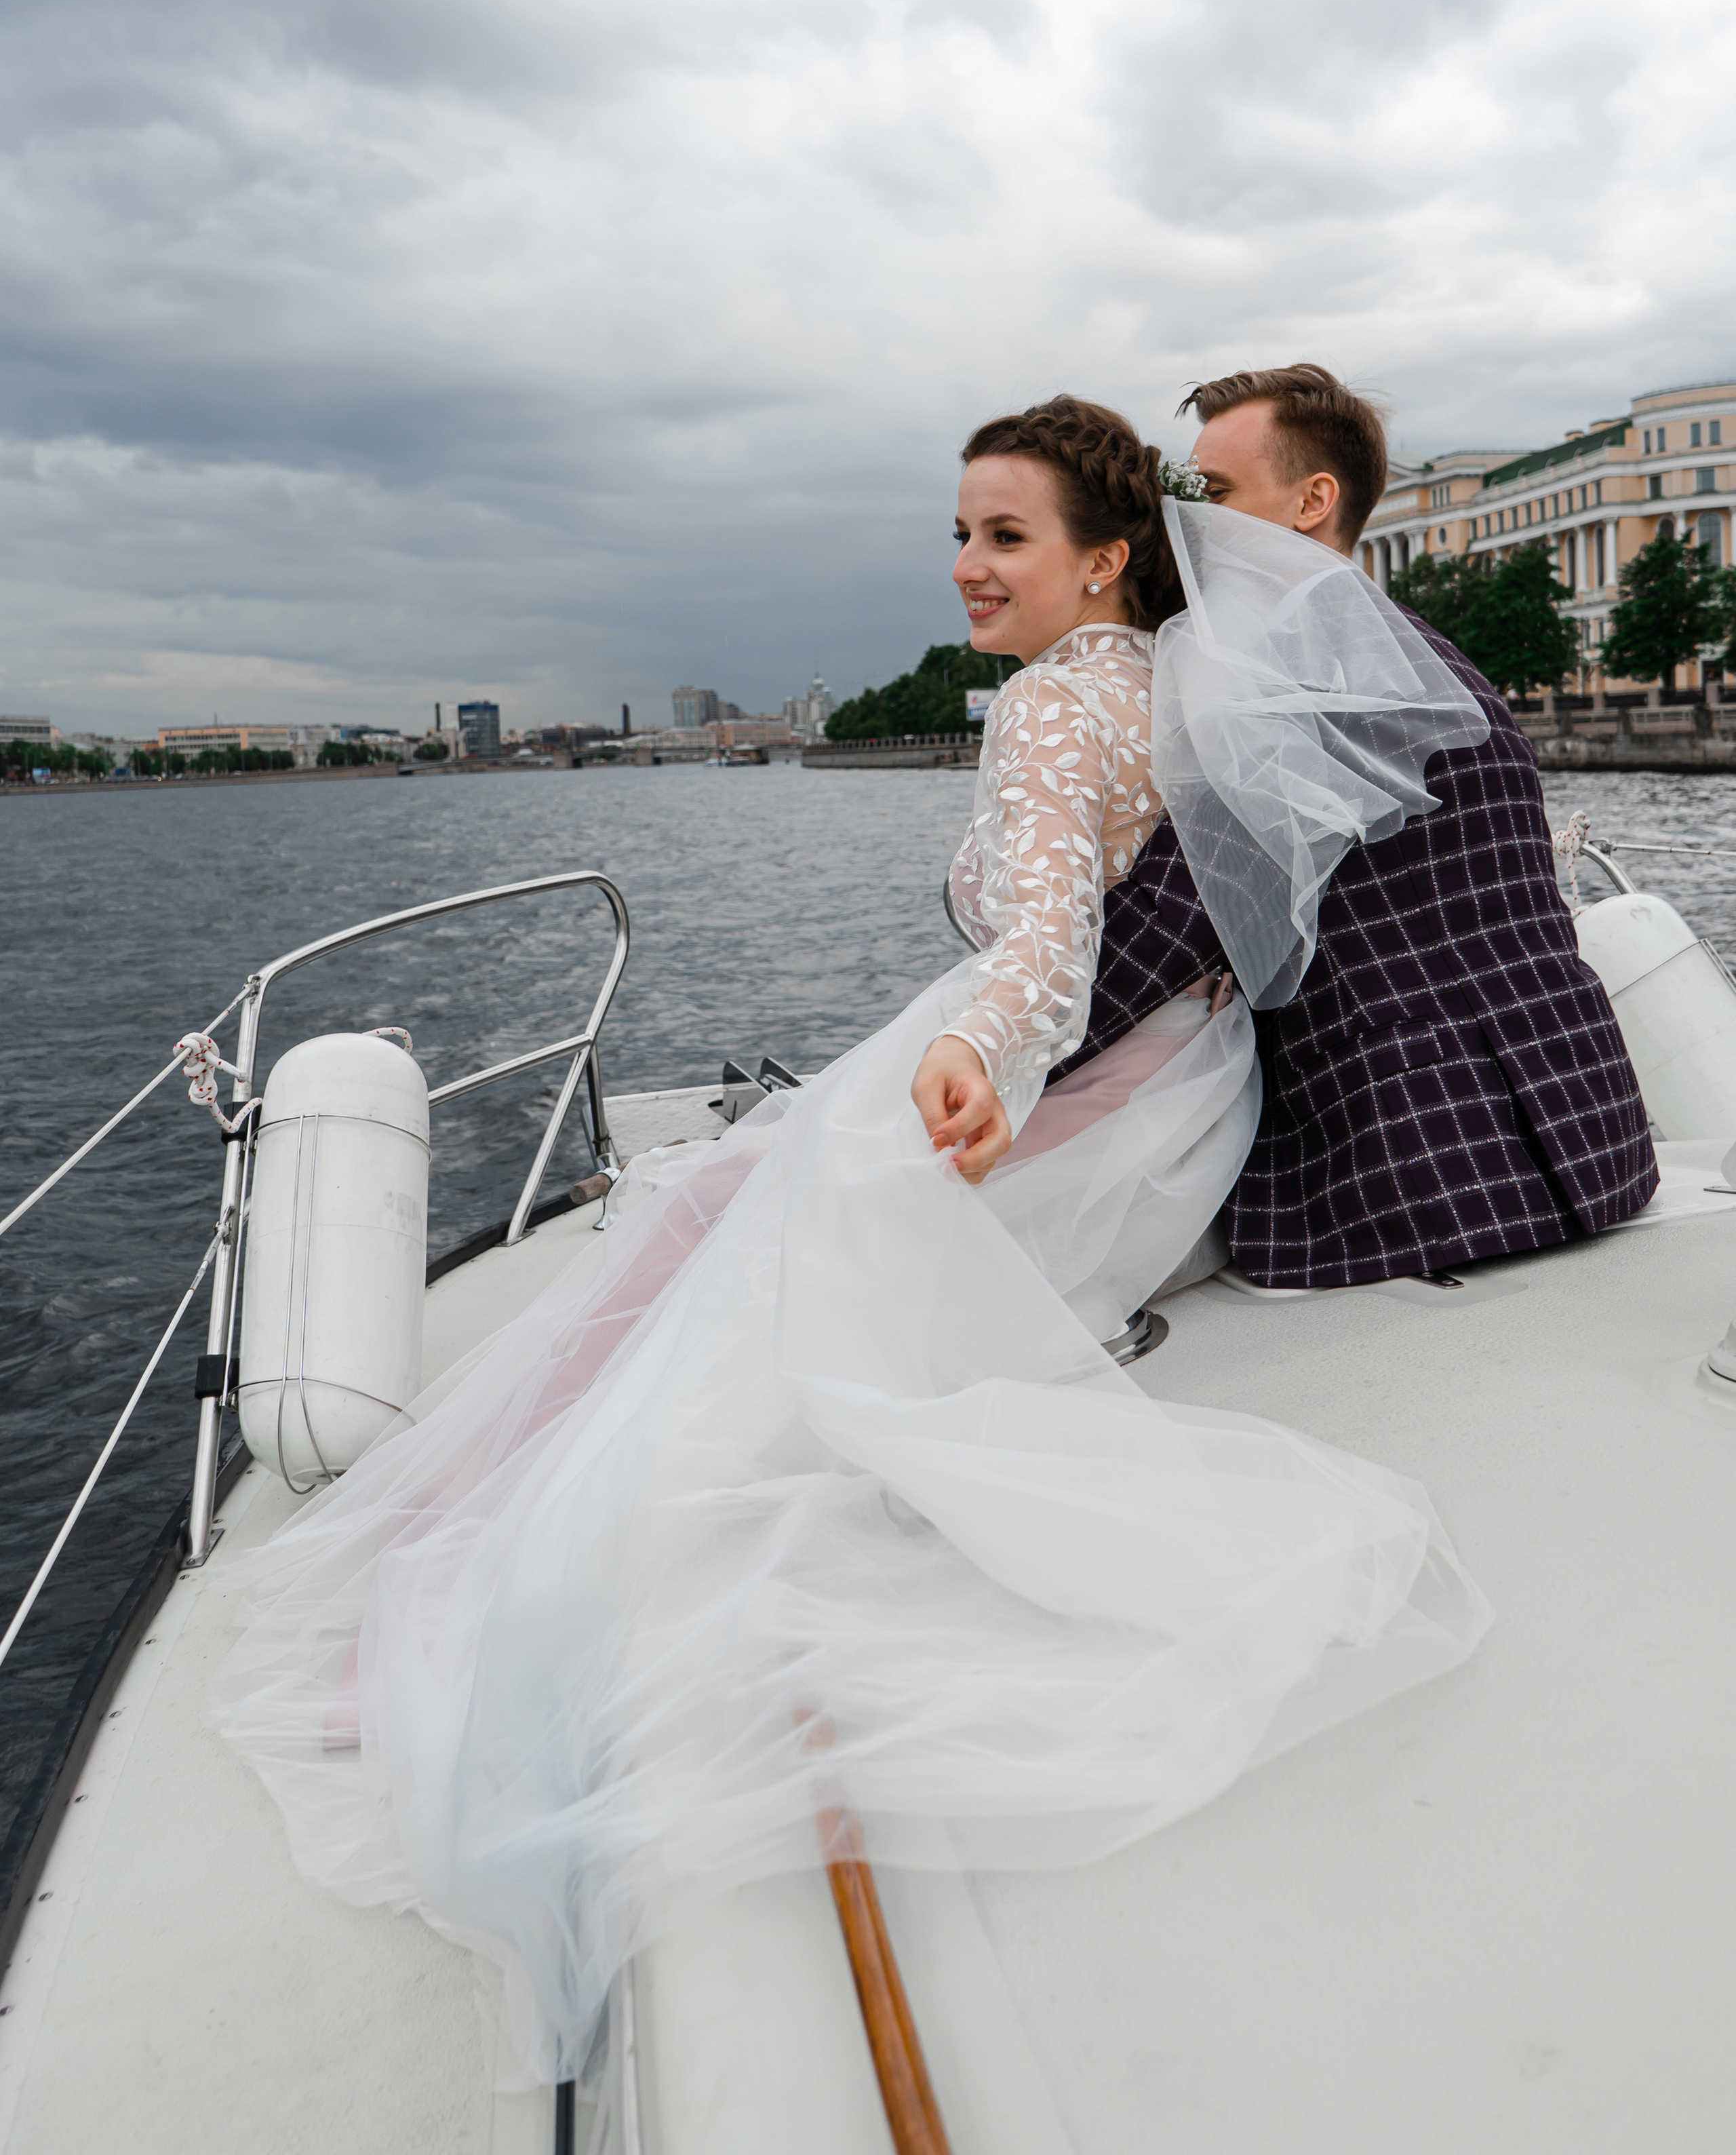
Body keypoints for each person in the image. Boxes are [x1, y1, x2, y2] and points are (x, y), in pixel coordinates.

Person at [210, 397, 1492, 2110]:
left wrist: (983, 1063)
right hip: (1190, 1103)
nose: (967, 568)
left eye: (1005, 536)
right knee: (721, 1215)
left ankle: (452, 1594)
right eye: (958, 534)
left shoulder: (1048, 707)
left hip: (1062, 1087)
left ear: (1106, 558)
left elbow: (1040, 939)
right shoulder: (1189, 685)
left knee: (688, 1233)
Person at [1052, 365, 1657, 1291]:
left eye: (1212, 495)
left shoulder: (1280, 680)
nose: (1187, 522)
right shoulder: (1429, 657)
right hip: (1593, 1132)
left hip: (1422, 1170)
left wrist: (995, 1045)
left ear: (1312, 502)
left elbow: (1176, 917)